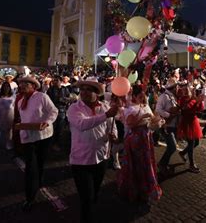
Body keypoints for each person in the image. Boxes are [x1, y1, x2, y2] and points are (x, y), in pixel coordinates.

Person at [66, 77, 119, 223]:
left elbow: (111, 126)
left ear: (97, 93)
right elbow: (82, 124)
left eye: (89, 90)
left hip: (101, 158)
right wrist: (106, 115)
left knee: (95, 192)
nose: (84, 92)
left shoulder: (105, 107)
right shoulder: (74, 108)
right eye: (82, 89)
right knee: (87, 199)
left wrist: (114, 135)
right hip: (81, 160)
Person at [16, 76, 58, 211]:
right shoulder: (20, 101)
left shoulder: (42, 97)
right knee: (30, 167)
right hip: (28, 138)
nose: (22, 85)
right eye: (21, 83)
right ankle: (30, 197)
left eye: (25, 84)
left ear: (33, 86)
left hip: (44, 136)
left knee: (39, 163)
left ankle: (38, 182)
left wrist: (47, 122)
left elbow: (54, 111)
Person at [117, 85, 162, 203]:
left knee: (146, 162)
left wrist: (158, 121)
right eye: (140, 96)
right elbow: (130, 124)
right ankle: (135, 189)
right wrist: (142, 116)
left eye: (144, 96)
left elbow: (152, 119)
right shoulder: (130, 108)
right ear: (134, 96)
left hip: (146, 137)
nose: (143, 98)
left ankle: (147, 189)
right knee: (137, 164)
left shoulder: (146, 106)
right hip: (136, 139)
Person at [156, 78, 180, 175]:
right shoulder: (164, 97)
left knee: (171, 146)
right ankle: (162, 164)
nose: (178, 88)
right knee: (172, 147)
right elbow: (158, 110)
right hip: (166, 125)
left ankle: (164, 164)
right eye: (177, 86)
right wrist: (169, 115)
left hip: (172, 125)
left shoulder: (172, 97)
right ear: (173, 87)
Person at [177, 85, 204, 173]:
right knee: (191, 143)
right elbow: (187, 108)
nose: (189, 91)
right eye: (187, 89)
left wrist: (199, 102)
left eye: (190, 89)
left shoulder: (192, 98)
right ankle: (191, 164)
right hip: (187, 123)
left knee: (196, 142)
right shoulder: (183, 99)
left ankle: (182, 153)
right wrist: (196, 101)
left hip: (194, 121)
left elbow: (199, 109)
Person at [46, 76, 71, 151]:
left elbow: (69, 98)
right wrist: (59, 99)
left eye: (57, 80)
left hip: (62, 111)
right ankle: (51, 144)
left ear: (60, 81)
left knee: (60, 128)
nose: (54, 82)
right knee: (52, 128)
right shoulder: (50, 90)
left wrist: (66, 101)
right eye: (54, 80)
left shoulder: (65, 89)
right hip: (53, 111)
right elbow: (49, 100)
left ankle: (58, 144)